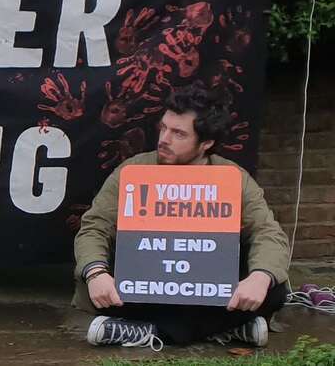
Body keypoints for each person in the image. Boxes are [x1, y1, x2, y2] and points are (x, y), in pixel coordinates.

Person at [73, 82, 289, 350]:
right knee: (95, 284)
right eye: (163, 128)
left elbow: (268, 232)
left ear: (206, 143)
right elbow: (95, 227)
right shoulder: (134, 169)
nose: (164, 139)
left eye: (178, 133)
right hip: (146, 286)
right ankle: (227, 329)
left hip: (206, 289)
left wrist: (259, 276)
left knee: (274, 287)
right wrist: (96, 273)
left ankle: (147, 332)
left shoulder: (233, 178)